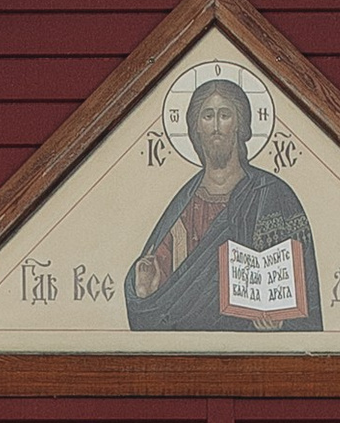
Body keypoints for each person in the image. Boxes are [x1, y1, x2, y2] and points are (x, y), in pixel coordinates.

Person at [124, 72, 320, 335]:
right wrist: (144, 289)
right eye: (207, 116)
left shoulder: (273, 194)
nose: (216, 125)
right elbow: (157, 300)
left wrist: (282, 323)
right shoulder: (185, 201)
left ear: (240, 124)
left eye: (225, 114)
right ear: (196, 128)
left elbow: (306, 293)